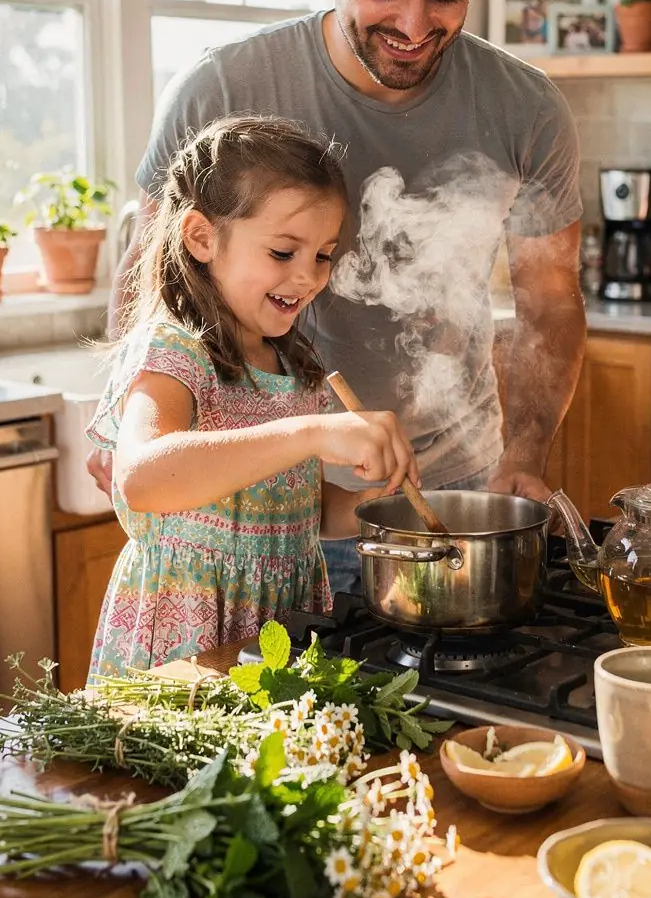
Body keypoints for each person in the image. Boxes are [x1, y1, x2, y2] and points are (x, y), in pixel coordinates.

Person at [92, 0, 586, 597]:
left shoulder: (526, 109)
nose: (416, 25)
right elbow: (148, 273)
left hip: (445, 495)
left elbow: (551, 307)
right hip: (244, 519)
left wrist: (525, 457)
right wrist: (120, 413)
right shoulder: (222, 90)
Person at [85, 114, 419, 678]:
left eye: (323, 254)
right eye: (284, 253)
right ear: (202, 238)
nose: (308, 277)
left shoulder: (292, 365)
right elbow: (139, 478)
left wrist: (379, 512)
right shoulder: (173, 353)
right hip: (182, 651)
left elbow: (298, 509)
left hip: (278, 631)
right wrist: (314, 433)